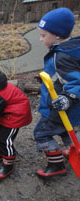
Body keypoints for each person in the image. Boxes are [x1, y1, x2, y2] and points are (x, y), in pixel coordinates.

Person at [35, 7, 80, 177]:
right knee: (65, 131)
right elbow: (61, 77)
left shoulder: (62, 57)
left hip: (59, 108)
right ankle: (74, 148)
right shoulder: (68, 51)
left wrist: (67, 97)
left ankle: (56, 165)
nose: (40, 39)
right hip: (65, 110)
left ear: (57, 36)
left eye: (43, 35)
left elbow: (77, 81)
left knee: (40, 133)